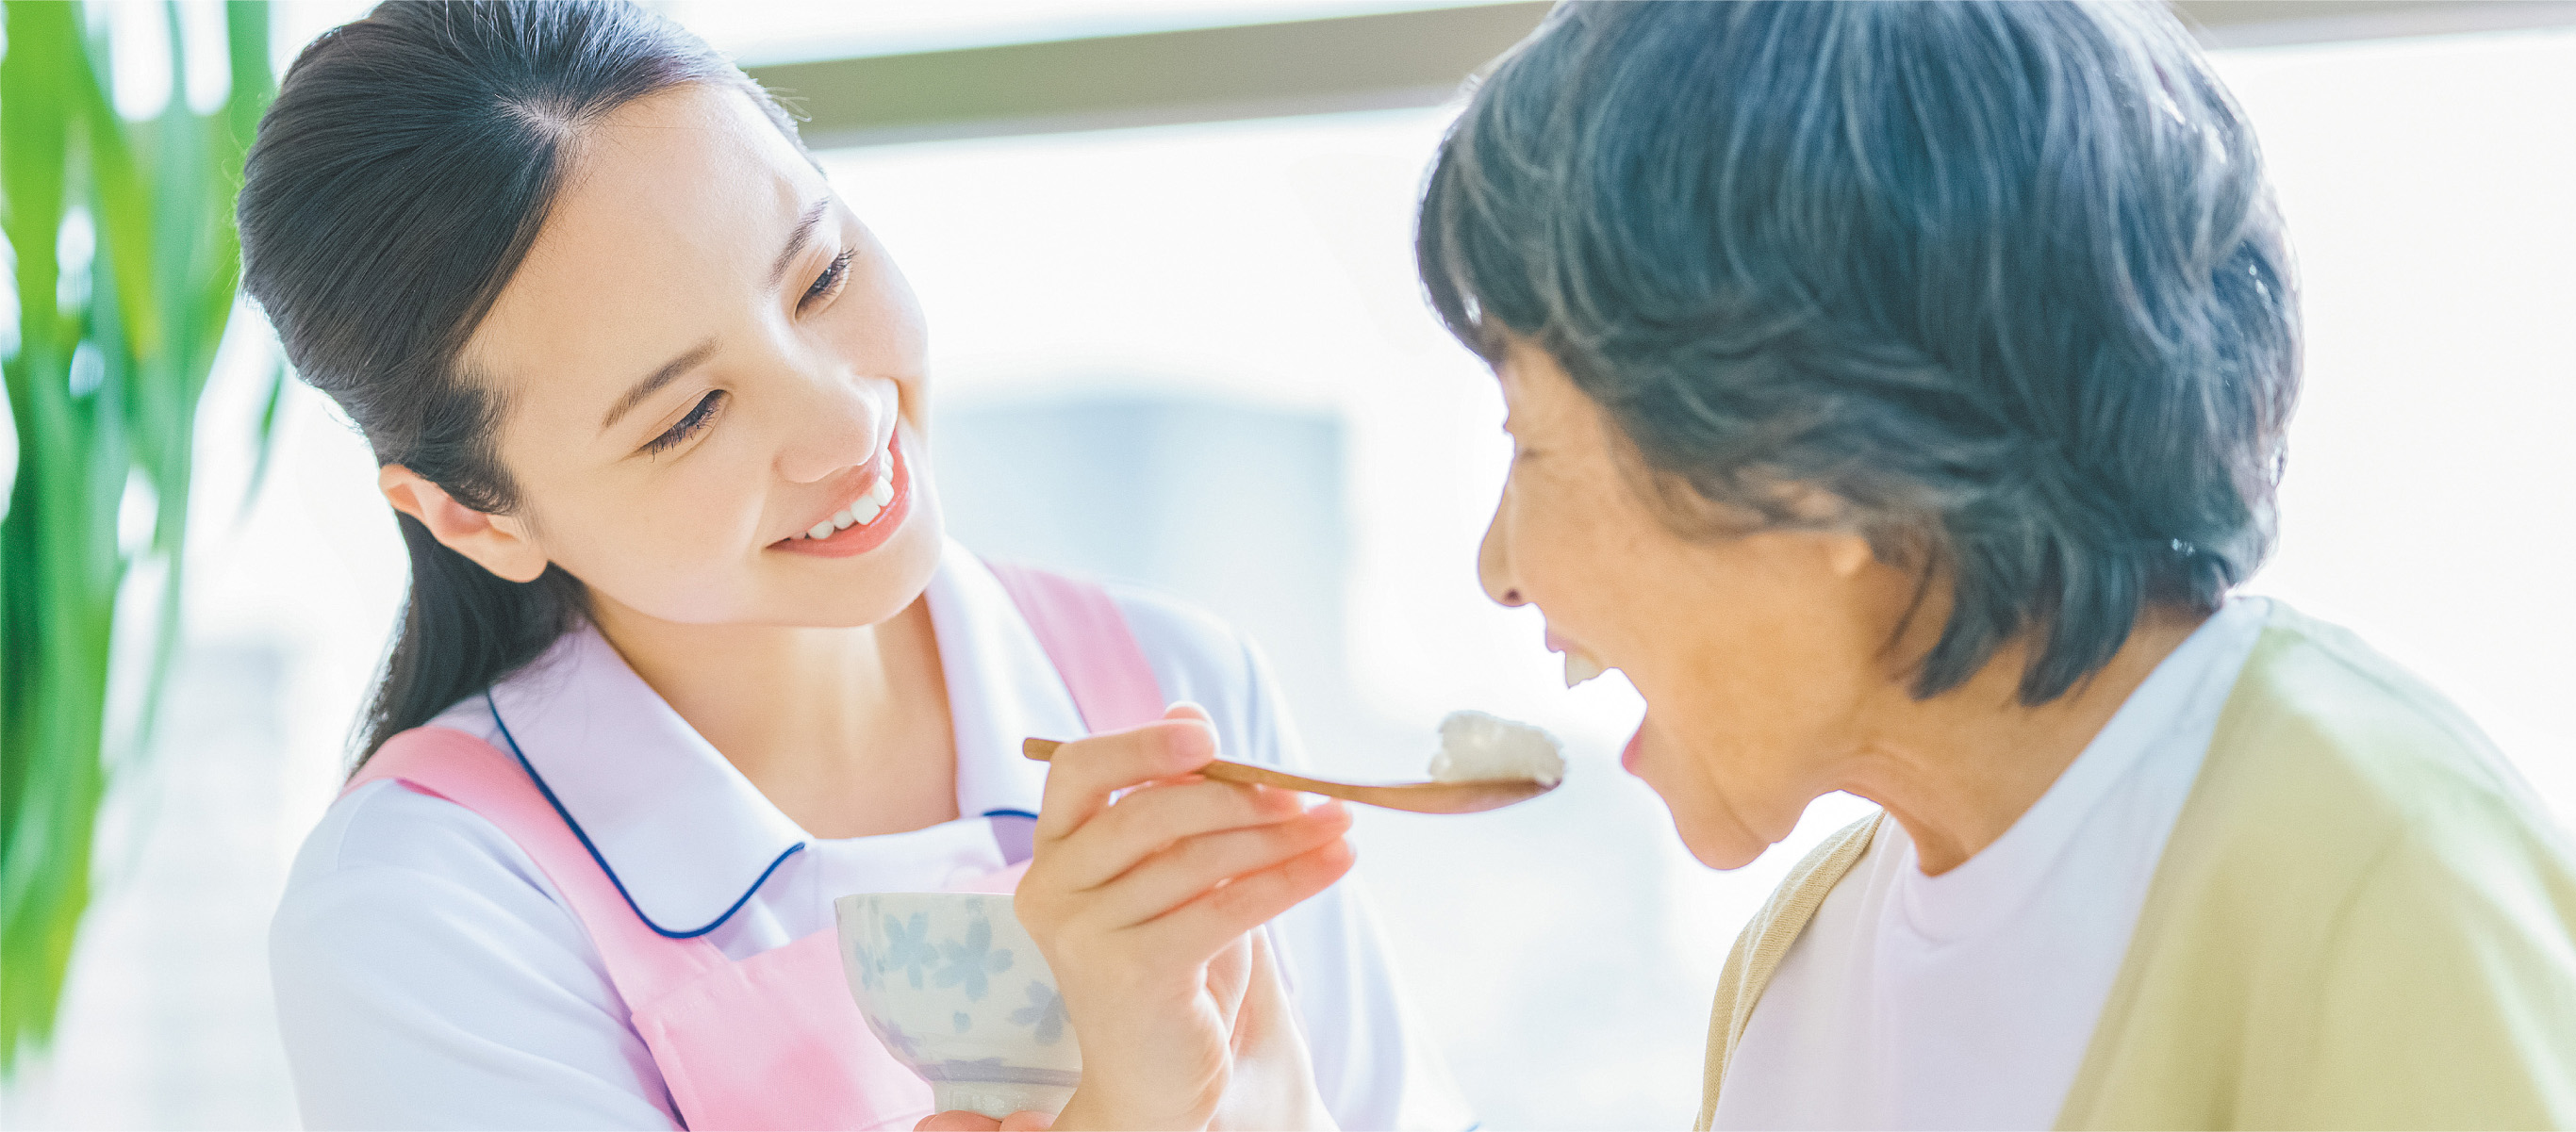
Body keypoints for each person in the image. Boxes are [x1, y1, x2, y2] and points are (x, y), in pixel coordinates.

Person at [987, 2, 2576, 1128]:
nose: (1497, 567)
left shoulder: (2370, 868)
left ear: (1817, 468)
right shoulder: (1805, 963)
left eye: (1531, 444)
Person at [244, 4, 1469, 1128]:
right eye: (687, 416)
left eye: (821, 275)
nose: (846, 423)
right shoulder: (424, 915)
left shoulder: (1174, 686)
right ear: (473, 515)